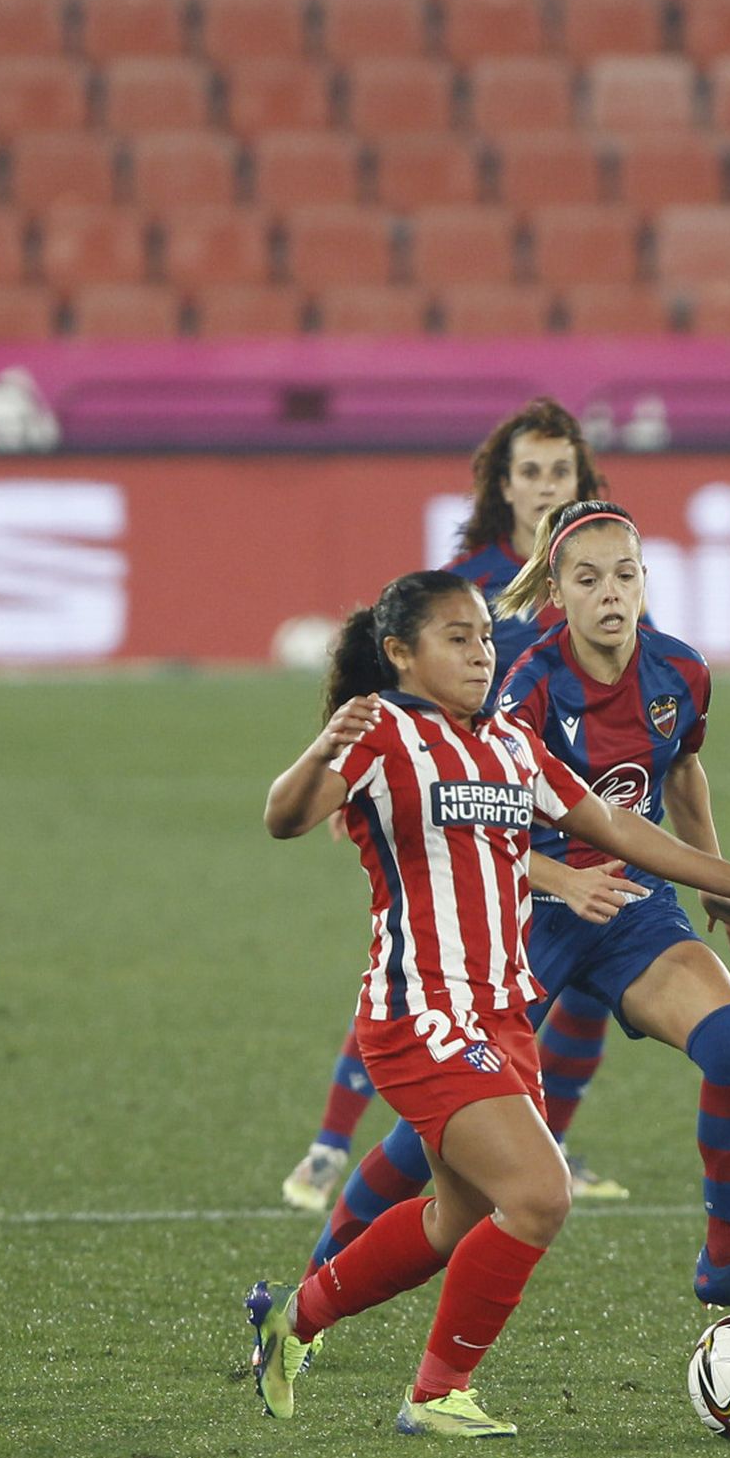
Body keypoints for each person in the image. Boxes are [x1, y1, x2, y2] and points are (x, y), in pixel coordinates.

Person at [247, 567, 730, 1438]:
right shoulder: (383, 735)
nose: (482, 654)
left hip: (504, 1014)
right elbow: (284, 819)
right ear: (400, 653)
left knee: (456, 1214)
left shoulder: (510, 744)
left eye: (484, 636)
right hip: (420, 1012)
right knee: (542, 1193)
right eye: (457, 639)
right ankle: (437, 1393)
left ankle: (295, 1318)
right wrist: (324, 745)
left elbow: (618, 828)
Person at [282, 397, 627, 1214]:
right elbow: (392, 685)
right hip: (466, 802)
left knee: (581, 978)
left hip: (552, 794)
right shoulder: (474, 589)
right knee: (433, 971)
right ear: (502, 488)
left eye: (560, 472)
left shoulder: (599, 579)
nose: (546, 488)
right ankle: (332, 1146)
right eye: (530, 473)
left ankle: (551, 1143)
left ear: (582, 479)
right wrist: (358, 776)